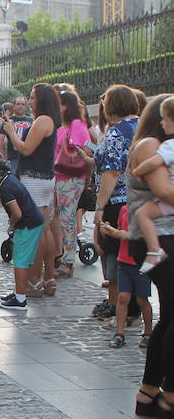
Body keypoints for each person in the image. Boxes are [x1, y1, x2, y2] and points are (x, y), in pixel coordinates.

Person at [125, 94, 174, 419]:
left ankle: (149, 395)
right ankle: (170, 399)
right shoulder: (151, 145)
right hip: (157, 237)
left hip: (163, 235)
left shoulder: (156, 143)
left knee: (169, 315)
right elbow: (166, 192)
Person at [1, 83, 58, 297]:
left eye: (33, 98)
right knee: (44, 226)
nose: (30, 101)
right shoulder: (46, 121)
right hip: (42, 177)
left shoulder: (42, 120)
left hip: (34, 178)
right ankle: (48, 277)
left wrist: (10, 132)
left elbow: (25, 149)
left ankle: (34, 279)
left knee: (37, 228)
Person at [93, 85, 141, 319]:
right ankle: (136, 307)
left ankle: (119, 307)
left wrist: (100, 207)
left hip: (118, 201)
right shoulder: (144, 126)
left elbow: (111, 172)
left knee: (114, 253)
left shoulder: (116, 133)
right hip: (142, 198)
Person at [0, 157, 45, 311]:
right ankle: (18, 293)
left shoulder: (5, 187)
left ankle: (20, 298)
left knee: (19, 261)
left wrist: (11, 224)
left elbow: (17, 213)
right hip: (34, 221)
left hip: (27, 225)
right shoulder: (9, 179)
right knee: (22, 260)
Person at [99, 205, 153, 348]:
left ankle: (148, 333)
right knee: (122, 297)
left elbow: (143, 235)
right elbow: (119, 231)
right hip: (124, 260)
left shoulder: (149, 209)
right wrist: (109, 231)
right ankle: (119, 333)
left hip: (140, 261)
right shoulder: (124, 209)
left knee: (142, 299)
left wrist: (119, 233)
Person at [131, 96, 174, 273]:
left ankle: (154, 251)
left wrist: (138, 171)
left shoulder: (167, 145)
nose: (164, 122)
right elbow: (163, 190)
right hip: (162, 234)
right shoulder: (153, 145)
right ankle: (154, 251)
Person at [52, 90, 91, 278]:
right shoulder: (61, 126)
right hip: (58, 177)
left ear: (66, 105)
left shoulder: (76, 124)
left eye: (58, 103)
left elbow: (86, 148)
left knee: (67, 219)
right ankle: (59, 255)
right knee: (56, 219)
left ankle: (68, 261)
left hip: (71, 178)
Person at [0, 97, 32, 175]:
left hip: (28, 158)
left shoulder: (31, 121)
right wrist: (2, 158)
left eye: (23, 104)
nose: (20, 106)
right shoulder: (8, 121)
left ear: (26, 107)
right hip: (13, 157)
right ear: (14, 106)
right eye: (18, 104)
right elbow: (0, 139)